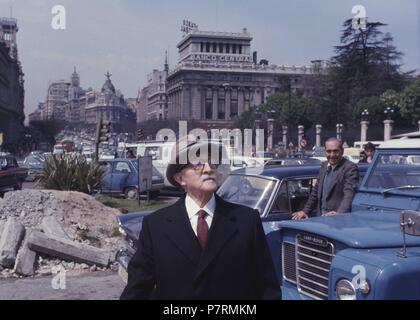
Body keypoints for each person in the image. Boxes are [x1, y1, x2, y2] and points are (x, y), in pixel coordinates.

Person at [120, 139, 280, 300]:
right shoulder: (156, 226)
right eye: (198, 163)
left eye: (212, 163)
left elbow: (267, 287)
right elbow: (138, 289)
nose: (209, 169)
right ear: (181, 178)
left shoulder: (246, 220)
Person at [292, 137, 359, 219]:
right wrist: (305, 211)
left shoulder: (350, 168)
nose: (332, 155)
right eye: (329, 151)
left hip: (337, 220)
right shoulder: (324, 165)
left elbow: (348, 194)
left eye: (335, 151)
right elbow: (316, 191)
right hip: (321, 217)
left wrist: (340, 214)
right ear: (325, 151)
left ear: (342, 151)